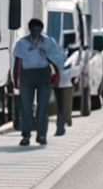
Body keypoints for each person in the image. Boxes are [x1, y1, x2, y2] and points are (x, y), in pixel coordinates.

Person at [12, 18, 64, 146]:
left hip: (43, 75)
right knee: (26, 108)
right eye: (34, 29)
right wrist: (16, 81)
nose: (37, 32)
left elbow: (55, 58)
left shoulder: (47, 42)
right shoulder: (22, 43)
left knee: (42, 108)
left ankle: (41, 135)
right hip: (27, 76)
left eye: (39, 29)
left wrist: (57, 75)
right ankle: (26, 135)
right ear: (30, 29)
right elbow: (17, 62)